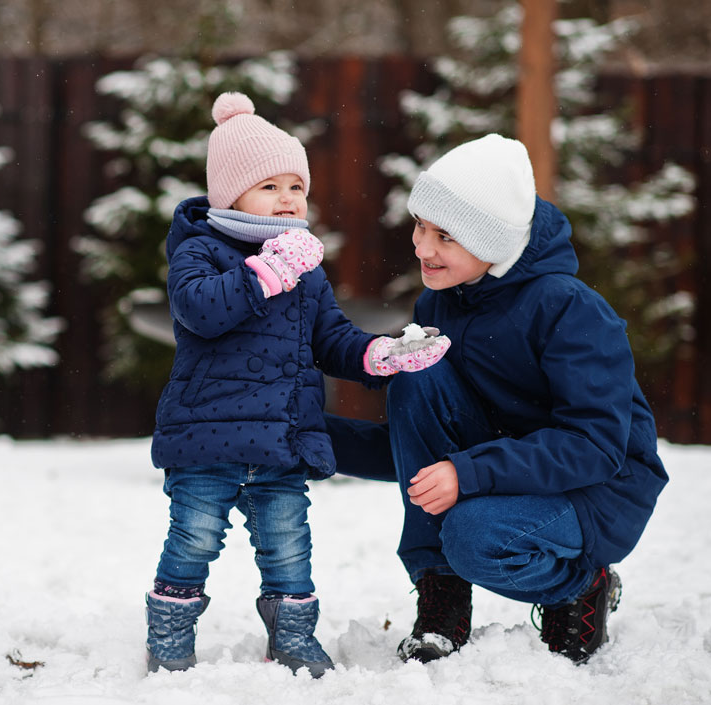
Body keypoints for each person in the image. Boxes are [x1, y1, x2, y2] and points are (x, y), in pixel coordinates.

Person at [145, 92, 451, 677]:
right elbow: (201, 310)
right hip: (205, 442)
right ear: (229, 193)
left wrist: (379, 354)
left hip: (282, 442)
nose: (288, 198)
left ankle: (292, 637)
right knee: (193, 542)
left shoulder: (305, 266)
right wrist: (268, 270)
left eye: (297, 187)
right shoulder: (199, 251)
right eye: (271, 186)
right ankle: (169, 634)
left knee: (288, 548)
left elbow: (330, 338)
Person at [387, 134, 668, 665]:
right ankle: (441, 596)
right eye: (420, 226)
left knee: (474, 536)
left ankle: (582, 586)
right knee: (414, 375)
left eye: (444, 235)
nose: (422, 248)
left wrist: (468, 472)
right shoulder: (441, 299)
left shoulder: (569, 310)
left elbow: (594, 446)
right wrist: (307, 440)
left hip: (598, 486)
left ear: (490, 241)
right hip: (507, 464)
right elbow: (418, 441)